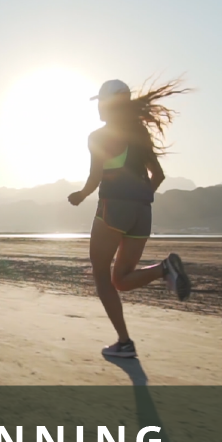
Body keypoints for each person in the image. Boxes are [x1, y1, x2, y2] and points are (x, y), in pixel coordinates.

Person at [68, 78, 192, 358]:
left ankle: (124, 343)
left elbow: (95, 176)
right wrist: (140, 196)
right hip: (142, 213)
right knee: (121, 280)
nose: (98, 106)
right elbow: (158, 175)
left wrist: (81, 195)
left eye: (101, 101)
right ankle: (165, 269)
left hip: (114, 208)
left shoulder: (98, 136)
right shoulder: (140, 136)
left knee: (101, 274)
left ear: (110, 104)